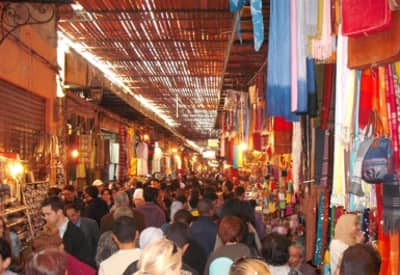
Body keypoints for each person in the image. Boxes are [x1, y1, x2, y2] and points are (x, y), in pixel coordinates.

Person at [41, 197, 90, 265]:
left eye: (48, 214)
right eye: (44, 215)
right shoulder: (47, 231)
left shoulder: (76, 234)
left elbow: (82, 263)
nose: (45, 218)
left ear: (59, 212)